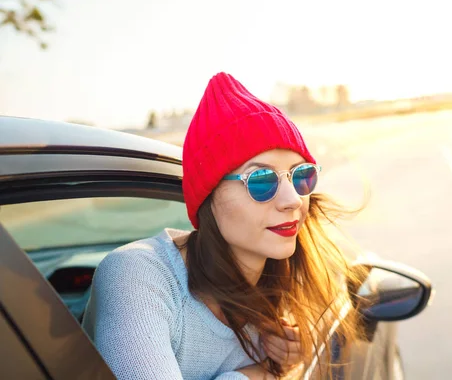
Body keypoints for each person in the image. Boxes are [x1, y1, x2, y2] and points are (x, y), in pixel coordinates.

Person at [82, 72, 366, 380]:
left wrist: (290, 357)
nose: (293, 200)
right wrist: (261, 375)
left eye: (301, 176)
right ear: (208, 196)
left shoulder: (281, 286)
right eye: (261, 180)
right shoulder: (138, 275)